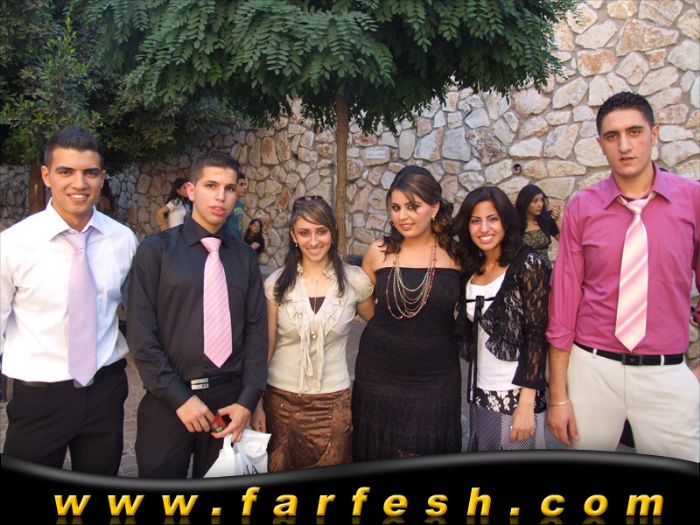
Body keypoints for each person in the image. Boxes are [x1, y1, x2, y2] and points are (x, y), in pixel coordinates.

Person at [547, 92, 700, 462]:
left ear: (654, 133)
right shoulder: (583, 207)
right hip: (592, 368)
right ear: (601, 144)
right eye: (612, 136)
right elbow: (564, 300)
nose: (625, 146)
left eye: (635, 132)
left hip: (666, 371)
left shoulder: (692, 200)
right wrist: (558, 395)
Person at [0, 126, 138, 473]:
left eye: (90, 172)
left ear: (102, 178)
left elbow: (139, 312)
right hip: (38, 398)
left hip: (105, 391)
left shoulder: (122, 240)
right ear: (47, 176)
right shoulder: (13, 245)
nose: (80, 183)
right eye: (66, 171)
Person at [127, 152, 267, 478]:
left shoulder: (245, 258)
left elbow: (257, 333)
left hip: (229, 404)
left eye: (229, 188)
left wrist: (247, 401)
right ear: (191, 190)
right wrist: (180, 399)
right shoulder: (155, 251)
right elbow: (140, 333)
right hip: (169, 401)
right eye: (211, 186)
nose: (221, 197)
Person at [250, 196, 374, 471]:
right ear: (294, 236)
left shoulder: (355, 282)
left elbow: (381, 330)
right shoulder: (276, 284)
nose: (314, 241)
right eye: (304, 233)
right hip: (279, 402)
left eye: (321, 231)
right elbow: (266, 345)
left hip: (333, 404)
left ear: (333, 232)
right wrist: (256, 402)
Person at [353, 165, 462, 461]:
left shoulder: (456, 255)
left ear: (434, 208)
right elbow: (365, 304)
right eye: (396, 207)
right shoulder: (378, 251)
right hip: (379, 374)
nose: (403, 216)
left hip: (437, 378)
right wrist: (394, 330)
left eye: (413, 206)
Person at [453, 186, 549, 451]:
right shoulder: (471, 267)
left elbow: (537, 334)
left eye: (492, 219)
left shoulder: (528, 264)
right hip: (480, 389)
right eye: (475, 221)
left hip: (516, 393)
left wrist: (527, 403)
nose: (484, 228)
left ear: (506, 221)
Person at [515, 185, 560, 267]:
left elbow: (564, 240)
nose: (540, 205)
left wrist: (558, 220)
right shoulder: (515, 224)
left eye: (541, 200)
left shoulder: (546, 220)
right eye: (535, 201)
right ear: (525, 202)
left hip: (546, 270)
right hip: (524, 272)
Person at [226, 173, 247, 238]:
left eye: (245, 184)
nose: (245, 187)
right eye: (241, 184)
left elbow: (240, 225)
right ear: (234, 186)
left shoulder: (241, 205)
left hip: (238, 241)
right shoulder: (227, 204)